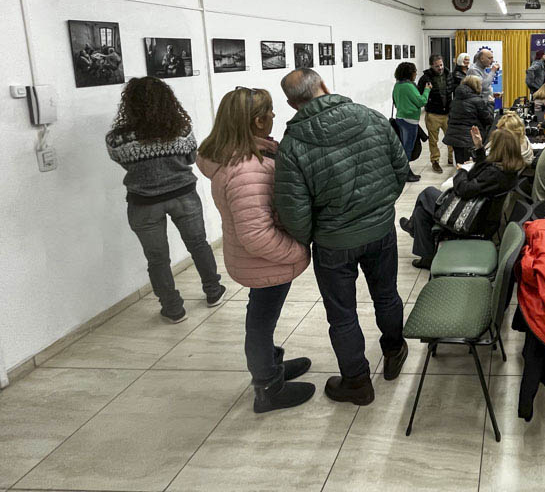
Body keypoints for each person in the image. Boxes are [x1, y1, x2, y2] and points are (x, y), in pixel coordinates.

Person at [274, 68, 409, 405]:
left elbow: (293, 209)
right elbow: (400, 167)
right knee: (387, 295)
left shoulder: (292, 145)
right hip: (380, 231)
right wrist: (380, 206)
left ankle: (357, 382)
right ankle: (394, 351)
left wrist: (315, 234)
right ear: (323, 85)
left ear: (292, 104)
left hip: (333, 243)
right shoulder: (370, 117)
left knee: (342, 315)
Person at [197, 87, 314, 413]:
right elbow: (256, 235)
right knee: (260, 321)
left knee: (261, 316)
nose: (275, 117)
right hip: (264, 260)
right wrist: (297, 252)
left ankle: (270, 366)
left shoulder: (233, 156)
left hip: (254, 260)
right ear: (257, 121)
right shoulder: (248, 169)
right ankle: (268, 386)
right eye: (270, 112)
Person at [106, 77, 225, 324]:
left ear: (130, 104)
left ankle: (173, 309)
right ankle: (213, 291)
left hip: (143, 203)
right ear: (166, 100)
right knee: (199, 244)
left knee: (157, 258)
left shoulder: (117, 138)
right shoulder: (180, 129)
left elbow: (123, 162)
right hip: (183, 195)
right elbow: (191, 157)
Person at [400, 127, 525, 268]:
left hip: (472, 220)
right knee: (421, 213)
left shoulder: (495, 174)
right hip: (483, 216)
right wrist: (479, 147)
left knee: (427, 194)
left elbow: (464, 189)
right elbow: (483, 170)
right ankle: (421, 243)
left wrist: (461, 171)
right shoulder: (508, 170)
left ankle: (415, 232)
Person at [417, 54, 455, 173]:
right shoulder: (425, 78)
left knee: (451, 138)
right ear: (431, 66)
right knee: (433, 140)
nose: (440, 68)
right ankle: (435, 161)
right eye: (437, 66)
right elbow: (419, 93)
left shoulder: (449, 75)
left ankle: (451, 159)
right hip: (433, 113)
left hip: (448, 113)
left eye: (441, 65)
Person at [444, 74, 493, 164]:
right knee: (470, 166)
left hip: (455, 137)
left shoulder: (455, 99)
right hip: (470, 138)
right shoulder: (477, 101)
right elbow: (488, 119)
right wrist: (490, 104)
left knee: (460, 164)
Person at [392, 62, 429, 180]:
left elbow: (395, 102)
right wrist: (427, 90)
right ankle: (406, 173)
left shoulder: (397, 85)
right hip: (409, 121)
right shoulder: (408, 86)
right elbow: (421, 101)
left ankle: (404, 171)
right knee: (408, 148)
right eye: (415, 71)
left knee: (403, 146)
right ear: (410, 73)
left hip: (400, 118)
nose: (416, 73)